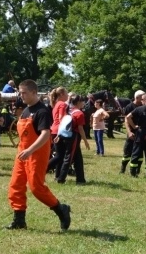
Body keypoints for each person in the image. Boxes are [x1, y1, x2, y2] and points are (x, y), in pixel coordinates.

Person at [5, 79, 71, 232]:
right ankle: (19, 220)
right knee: (15, 186)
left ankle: (61, 209)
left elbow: (45, 134)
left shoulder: (42, 111)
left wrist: (30, 151)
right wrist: (24, 151)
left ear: (34, 92)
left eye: (24, 93)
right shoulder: (26, 110)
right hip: (22, 154)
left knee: (36, 188)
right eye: (20, 93)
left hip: (36, 154)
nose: (21, 96)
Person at [57, 94, 90, 185]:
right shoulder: (79, 113)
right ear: (78, 102)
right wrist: (86, 141)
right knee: (69, 158)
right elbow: (80, 129)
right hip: (73, 137)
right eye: (82, 101)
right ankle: (61, 178)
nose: (84, 103)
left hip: (65, 136)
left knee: (78, 158)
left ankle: (80, 179)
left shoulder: (69, 111)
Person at [120, 90, 144, 174]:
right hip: (132, 132)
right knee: (127, 151)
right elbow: (126, 121)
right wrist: (129, 132)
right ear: (137, 98)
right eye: (142, 98)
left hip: (141, 133)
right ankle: (123, 169)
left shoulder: (143, 106)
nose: (143, 99)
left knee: (140, 152)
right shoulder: (129, 107)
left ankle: (138, 170)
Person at [46, 87, 69, 174]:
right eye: (66, 93)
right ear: (61, 94)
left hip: (54, 130)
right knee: (60, 155)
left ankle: (58, 175)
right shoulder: (62, 104)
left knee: (61, 155)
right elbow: (61, 119)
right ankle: (43, 170)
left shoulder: (56, 104)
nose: (67, 95)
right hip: (59, 131)